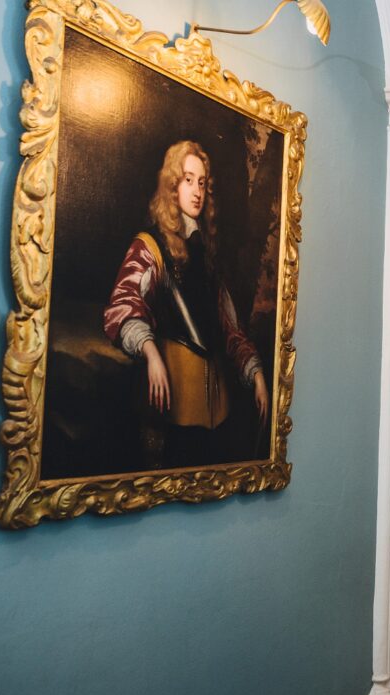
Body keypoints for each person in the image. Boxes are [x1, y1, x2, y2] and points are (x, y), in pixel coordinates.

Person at [104, 140, 269, 468]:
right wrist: (151, 353)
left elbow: (227, 325)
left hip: (217, 411)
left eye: (202, 183)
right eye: (188, 180)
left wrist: (256, 372)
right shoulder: (149, 245)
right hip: (172, 404)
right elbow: (123, 303)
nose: (197, 191)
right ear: (172, 185)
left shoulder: (206, 255)